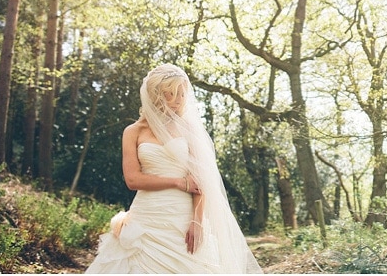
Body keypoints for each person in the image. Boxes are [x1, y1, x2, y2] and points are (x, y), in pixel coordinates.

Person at [87, 64, 261, 273]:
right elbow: (133, 180)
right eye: (171, 94)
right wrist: (178, 182)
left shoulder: (188, 130)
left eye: (182, 94)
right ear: (155, 94)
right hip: (146, 218)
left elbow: (201, 180)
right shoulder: (133, 131)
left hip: (183, 219)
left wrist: (197, 222)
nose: (178, 100)